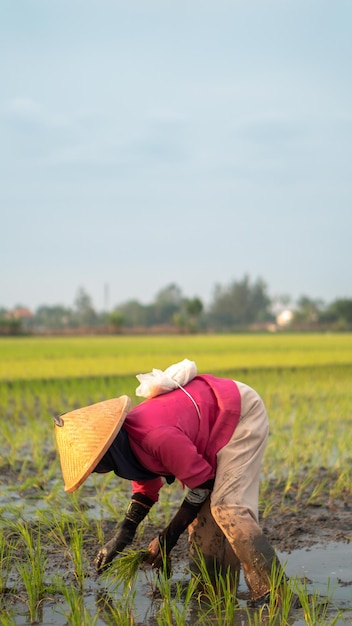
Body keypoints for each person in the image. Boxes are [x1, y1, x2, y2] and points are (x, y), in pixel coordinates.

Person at [54, 369, 288, 607]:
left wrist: (167, 539)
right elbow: (145, 492)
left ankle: (275, 593)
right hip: (208, 425)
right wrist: (120, 537)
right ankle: (213, 595)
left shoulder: (155, 436)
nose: (98, 471)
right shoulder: (128, 445)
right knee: (202, 523)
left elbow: (202, 484)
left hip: (238, 413)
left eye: (95, 466)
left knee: (227, 508)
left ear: (106, 454)